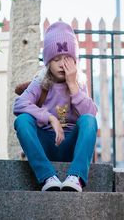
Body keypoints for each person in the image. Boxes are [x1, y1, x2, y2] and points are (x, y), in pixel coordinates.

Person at [13, 21, 98, 192]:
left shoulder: (79, 83)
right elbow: (19, 104)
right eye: (56, 59)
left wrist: (73, 86)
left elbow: (91, 116)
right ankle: (47, 177)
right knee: (23, 120)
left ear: (75, 61)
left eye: (67, 59)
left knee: (89, 120)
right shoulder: (41, 82)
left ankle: (76, 177)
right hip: (46, 144)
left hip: (71, 147)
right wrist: (49, 117)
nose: (61, 64)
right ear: (47, 62)